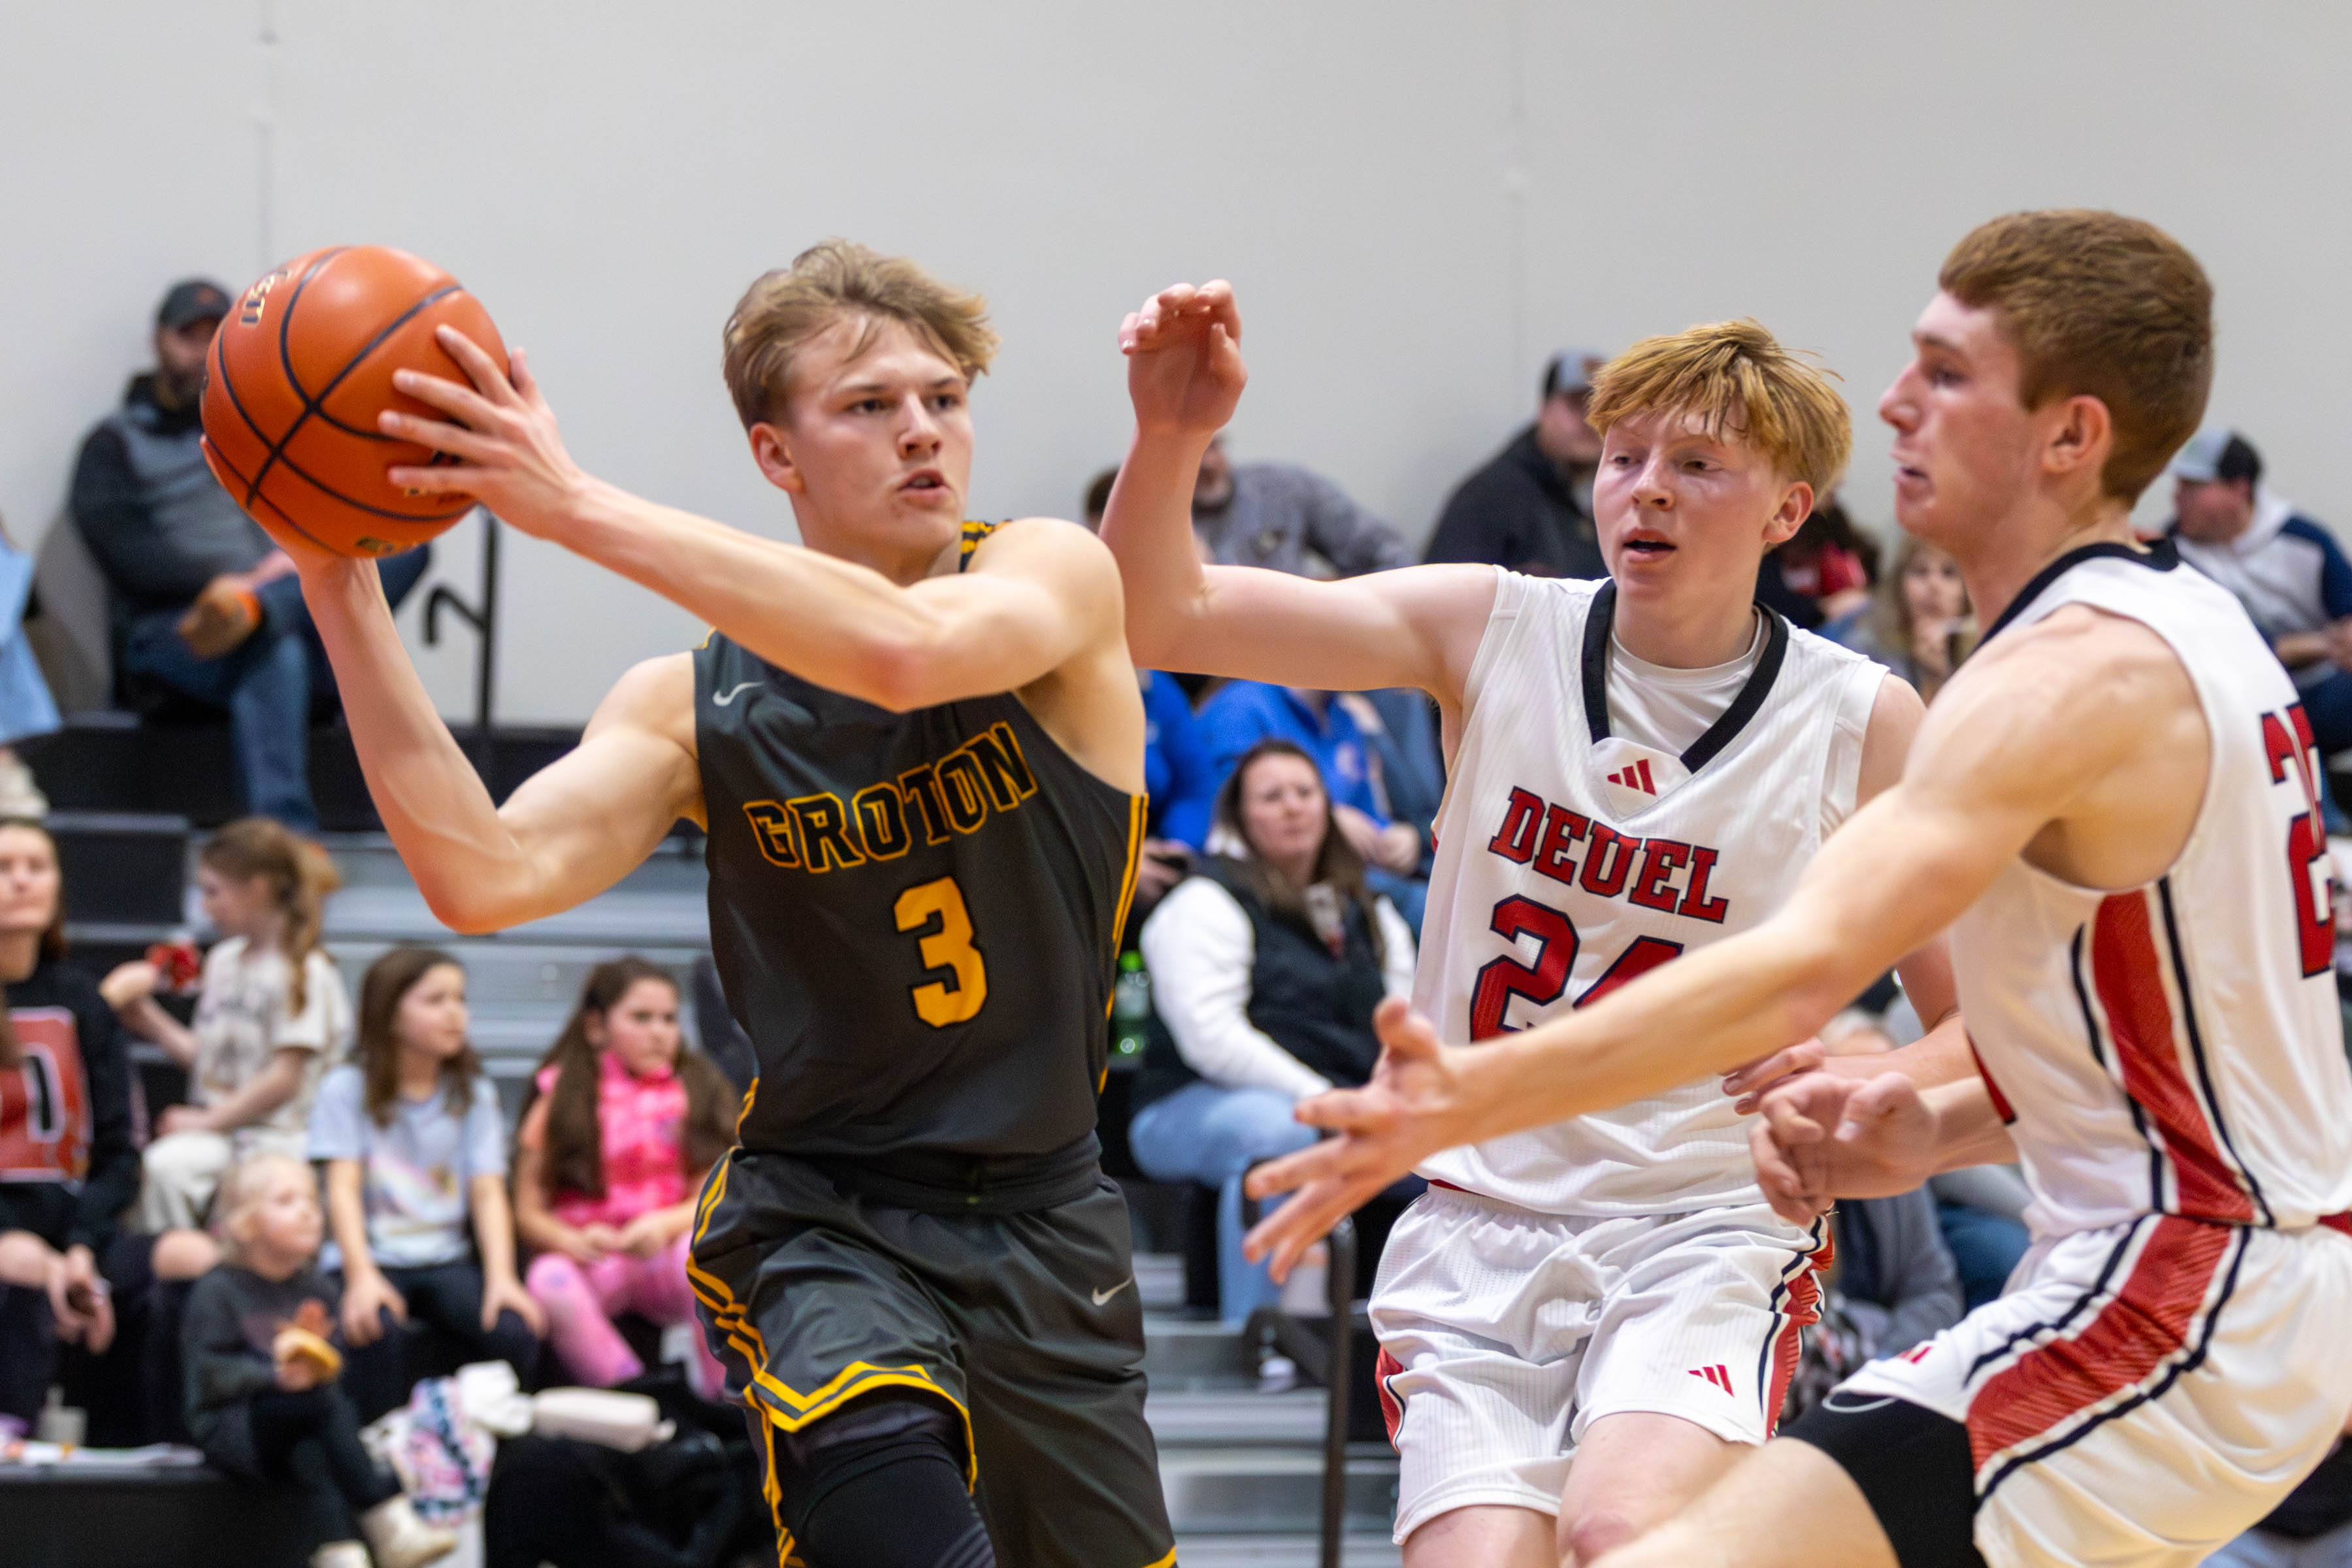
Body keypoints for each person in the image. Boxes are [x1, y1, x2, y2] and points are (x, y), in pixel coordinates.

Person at [1245, 210, 2352, 1568]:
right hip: (2172, 1263)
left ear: (2070, 436)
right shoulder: (2183, 630)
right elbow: (2133, 1036)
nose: (1897, 399)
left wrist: (1479, 1088)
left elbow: (1806, 962)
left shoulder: (2063, 676)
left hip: (2190, 1280)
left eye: (1946, 373)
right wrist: (1924, 1133)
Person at [280, 238, 1175, 1568]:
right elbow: (479, 872)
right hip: (832, 1215)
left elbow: (902, 655)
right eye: (870, 407)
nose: (923, 432)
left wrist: (569, 501)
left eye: (944, 399)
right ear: (777, 456)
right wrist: (335, 576)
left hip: (1050, 1215)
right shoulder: (693, 706)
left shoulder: (1048, 578)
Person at [1102, 288, 1955, 1568]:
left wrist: (1875, 1072)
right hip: (1479, 1215)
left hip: (1702, 1222)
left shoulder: (1867, 721)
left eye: (1696, 465)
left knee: (1622, 1529)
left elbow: (1984, 1020)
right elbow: (1161, 614)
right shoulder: (1495, 625)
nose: (1644, 490)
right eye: (1623, 459)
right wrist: (1168, 436)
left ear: (1789, 511)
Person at [69, 278, 431, 830]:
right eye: (188, 336)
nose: (201, 350)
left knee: (405, 545)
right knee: (274, 646)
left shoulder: (277, 429)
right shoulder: (114, 443)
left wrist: (264, 590)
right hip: (176, 630)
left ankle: (268, 607)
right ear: (158, 342)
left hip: (280, 613)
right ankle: (287, 838)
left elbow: (344, 522)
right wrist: (233, 582)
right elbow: (126, 554)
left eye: (216, 337)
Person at [1128, 741, 1416, 1327]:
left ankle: (1397, 1340)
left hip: (1345, 1101)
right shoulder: (1206, 899)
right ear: (1240, 816)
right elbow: (1212, 1038)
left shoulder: (1370, 907)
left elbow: (1406, 1019)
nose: (1292, 808)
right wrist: (1325, 1102)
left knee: (1448, 1140)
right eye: (1271, 796)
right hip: (1189, 1107)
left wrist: (1385, 1099)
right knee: (1275, 1131)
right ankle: (1256, 1338)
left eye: (1305, 793)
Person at [0, 817, 217, 1432]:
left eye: (36, 867)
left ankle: (167, 1446)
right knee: (18, 1275)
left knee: (193, 1257)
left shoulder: (83, 1000)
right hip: (7, 1237)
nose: (21, 882)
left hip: (74, 1230)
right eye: (4, 867)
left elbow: (121, 1150)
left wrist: (79, 1248)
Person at [182, 1152, 457, 1568]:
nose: (309, 1212)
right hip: (235, 1428)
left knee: (312, 1440)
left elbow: (338, 1369)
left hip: (299, 1424)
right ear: (244, 1221)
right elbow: (209, 1374)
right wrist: (274, 1375)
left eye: (313, 1200)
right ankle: (387, 1518)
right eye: (287, 1201)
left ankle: (339, 1553)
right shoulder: (217, 1290)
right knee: (318, 1409)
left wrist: (317, 1365)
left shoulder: (319, 1289)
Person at [310, 947, 542, 1421]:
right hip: (372, 1255)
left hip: (444, 1256)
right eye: (435, 1000)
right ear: (390, 1015)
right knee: (373, 1329)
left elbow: (487, 1190)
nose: (455, 1013)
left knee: (512, 1329)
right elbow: (343, 1186)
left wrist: (502, 1278)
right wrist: (360, 1276)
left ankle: (489, 1459)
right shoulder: (345, 1088)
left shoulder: (473, 1092)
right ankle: (382, 1453)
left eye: (459, 998)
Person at [110, 817, 351, 1231]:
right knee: (157, 1167)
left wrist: (205, 1122)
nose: (205, 906)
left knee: (167, 1168)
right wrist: (147, 1019)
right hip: (220, 1132)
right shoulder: (223, 961)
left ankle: (182, 1279)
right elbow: (209, 1062)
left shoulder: (305, 971)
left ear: (256, 888)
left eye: (212, 891)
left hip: (278, 1140)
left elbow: (283, 1079)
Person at [514, 958, 730, 1397]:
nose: (660, 1032)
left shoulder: (697, 1089)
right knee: (549, 1280)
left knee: (708, 1251)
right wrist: (571, 1242)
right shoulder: (559, 1096)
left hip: (664, 1255)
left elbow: (714, 1193)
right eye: (641, 1018)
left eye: (669, 1019)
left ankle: (724, 1400)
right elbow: (526, 1209)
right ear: (597, 1026)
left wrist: (663, 1226)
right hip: (595, 1260)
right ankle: (636, 1396)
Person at [2166, 429, 2352, 771]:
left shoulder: (2303, 539)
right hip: (2240, 706)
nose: (2177, 499)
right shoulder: (2172, 556)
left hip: (2322, 691)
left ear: (2239, 489)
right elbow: (2226, 649)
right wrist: (2318, 644)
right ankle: (2324, 822)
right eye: (2179, 487)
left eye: (2192, 488)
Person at [1085, 466, 1214, 912]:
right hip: (1088, 864)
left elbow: (1196, 785)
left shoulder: (1157, 688)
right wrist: (1122, 859)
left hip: (1156, 856)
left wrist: (1176, 848)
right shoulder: (1070, 676)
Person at [1424, 348, 1610, 578]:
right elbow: (1443, 597)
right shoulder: (1491, 497)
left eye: (1602, 407)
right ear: (1544, 409)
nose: (1591, 419)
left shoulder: (1608, 492)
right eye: (1577, 404)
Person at [1189, 433, 1413, 576]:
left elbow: (1393, 555)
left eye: (1213, 446)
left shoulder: (1281, 490)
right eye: (1192, 453)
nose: (1207, 464)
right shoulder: (1156, 524)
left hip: (1299, 638)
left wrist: (1321, 601)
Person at [1851, 532, 1973, 705]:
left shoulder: (1985, 650)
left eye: (1949, 573)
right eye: (1921, 572)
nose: (1934, 585)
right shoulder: (1866, 652)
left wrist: (1940, 674)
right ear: (1899, 585)